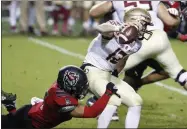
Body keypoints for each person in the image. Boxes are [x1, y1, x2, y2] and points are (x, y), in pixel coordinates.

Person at [88, 1, 187, 128]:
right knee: (180, 73)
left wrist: (110, 7)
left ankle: (100, 101)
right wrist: (177, 17)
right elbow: (171, 22)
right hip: (159, 37)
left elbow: (93, 12)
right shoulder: (156, 2)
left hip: (135, 40)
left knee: (110, 69)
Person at [81, 8, 153, 128]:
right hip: (92, 70)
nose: (145, 28)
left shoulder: (137, 44)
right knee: (112, 100)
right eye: (144, 24)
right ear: (135, 21)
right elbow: (100, 28)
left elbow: (122, 61)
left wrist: (114, 75)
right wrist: (119, 29)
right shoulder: (115, 25)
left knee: (136, 101)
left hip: (107, 75)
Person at [1, 65, 118, 128]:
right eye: (80, 86)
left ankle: (11, 106)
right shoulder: (63, 101)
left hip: (30, 113)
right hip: (29, 122)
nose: (82, 89)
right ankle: (11, 106)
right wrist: (107, 93)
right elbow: (92, 112)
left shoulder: (59, 85)